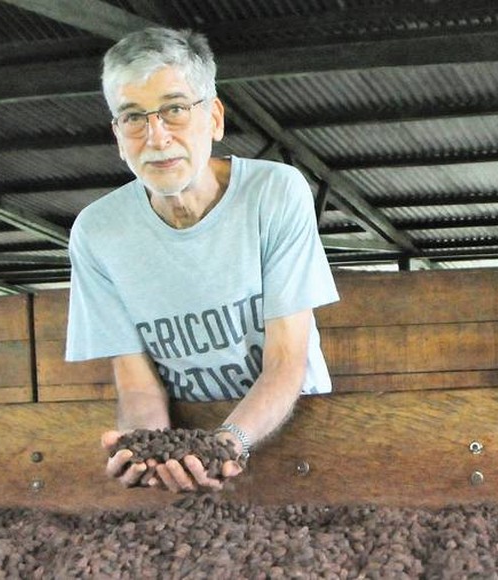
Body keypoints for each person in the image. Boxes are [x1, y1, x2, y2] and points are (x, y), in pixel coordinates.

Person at [65, 27, 339, 494]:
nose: (156, 136)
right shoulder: (97, 232)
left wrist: (227, 443)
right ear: (117, 135)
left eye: (174, 109)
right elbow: (136, 385)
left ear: (213, 118)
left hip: (296, 439)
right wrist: (148, 447)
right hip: (187, 459)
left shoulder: (275, 193)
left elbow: (286, 361)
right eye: (133, 117)